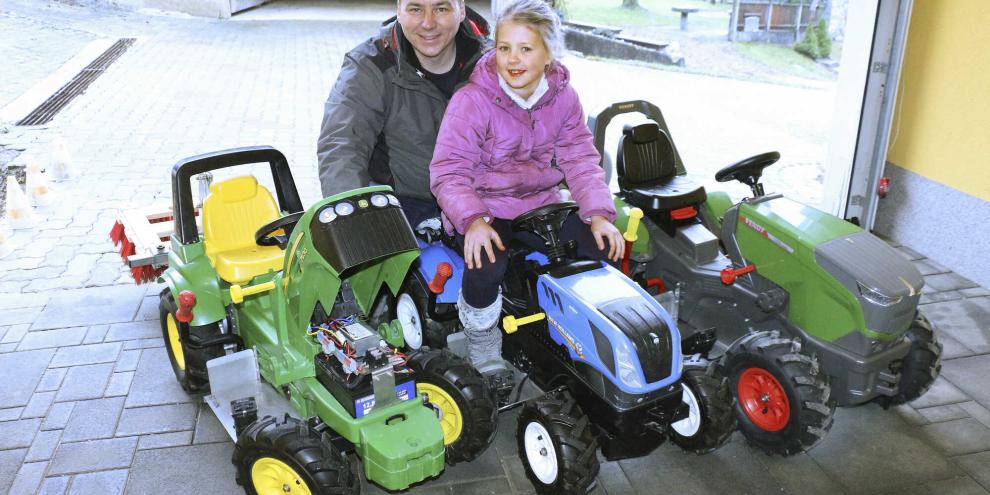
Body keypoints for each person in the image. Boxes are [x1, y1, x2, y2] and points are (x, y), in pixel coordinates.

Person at [430, 0, 625, 381]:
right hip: (484, 207)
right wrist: (472, 221)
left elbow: (581, 159)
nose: (513, 59)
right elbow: (448, 171)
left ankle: (592, 329)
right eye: (504, 48)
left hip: (541, 204)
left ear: (549, 53)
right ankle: (483, 340)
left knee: (604, 246)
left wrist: (599, 214)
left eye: (526, 48)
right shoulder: (472, 101)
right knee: (486, 261)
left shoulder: (563, 97)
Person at [317, 0, 490, 228]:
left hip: (484, 202)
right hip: (401, 207)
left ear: (461, 10)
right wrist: (352, 222)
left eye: (441, 9)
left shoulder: (496, 62)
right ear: (399, 10)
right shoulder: (370, 65)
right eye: (415, 9)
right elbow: (342, 145)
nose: (428, 23)